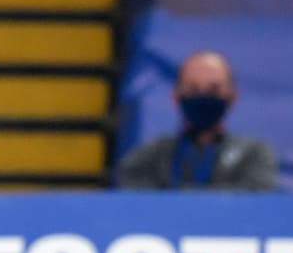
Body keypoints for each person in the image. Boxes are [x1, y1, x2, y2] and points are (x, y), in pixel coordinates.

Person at [118, 50, 278, 191]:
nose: (203, 96)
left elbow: (256, 201)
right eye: (193, 89)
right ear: (176, 96)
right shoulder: (149, 156)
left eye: (214, 89)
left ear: (232, 96)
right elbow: (137, 204)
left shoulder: (254, 155)